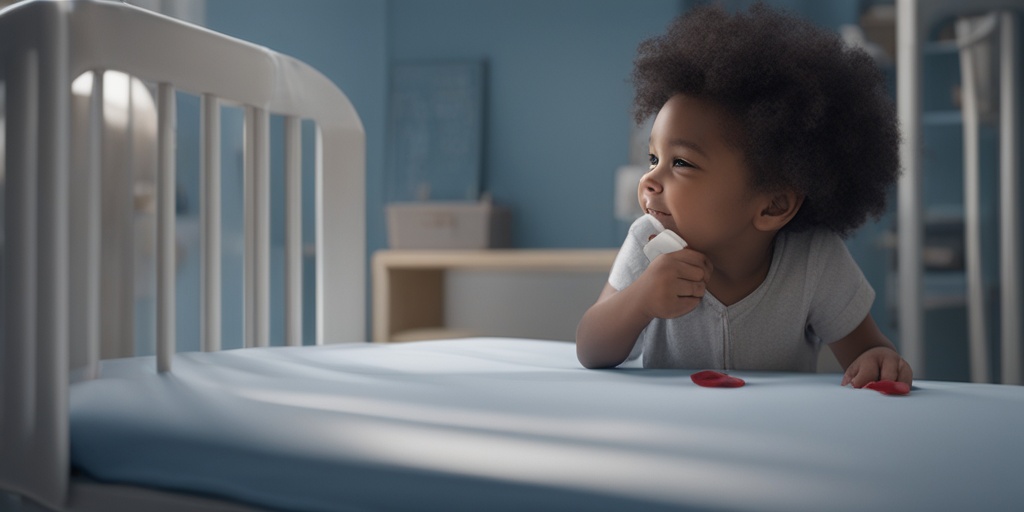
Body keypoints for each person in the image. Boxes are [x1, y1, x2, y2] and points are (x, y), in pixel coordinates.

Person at [575, 2, 913, 388]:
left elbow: (867, 352)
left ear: (773, 205)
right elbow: (590, 348)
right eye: (654, 158)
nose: (650, 179)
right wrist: (640, 300)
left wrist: (879, 360)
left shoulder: (814, 260)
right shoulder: (648, 243)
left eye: (681, 163)